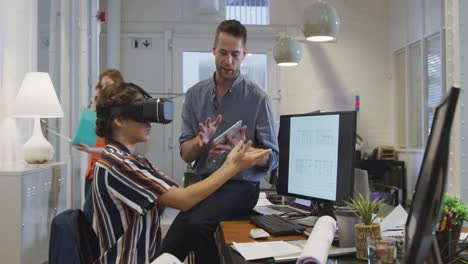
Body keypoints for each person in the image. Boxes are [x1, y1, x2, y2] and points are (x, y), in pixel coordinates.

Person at [92, 82, 271, 263]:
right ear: (119, 120)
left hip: (144, 257)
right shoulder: (119, 165)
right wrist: (233, 165)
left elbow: (177, 193)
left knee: (190, 222)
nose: (149, 122)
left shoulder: (134, 161)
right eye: (141, 113)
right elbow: (183, 200)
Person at [158, 19, 279, 263]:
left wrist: (245, 152)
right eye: (223, 52)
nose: (228, 61)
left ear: (244, 54)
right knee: (167, 250)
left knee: (198, 225)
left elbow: (273, 157)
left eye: (235, 54)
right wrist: (201, 142)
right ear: (213, 49)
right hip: (203, 184)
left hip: (240, 187)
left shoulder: (258, 99)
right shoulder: (194, 95)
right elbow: (186, 154)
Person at [73, 68, 124, 223]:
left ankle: (85, 245)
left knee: (89, 212)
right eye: (101, 86)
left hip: (107, 167)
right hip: (92, 169)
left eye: (107, 85)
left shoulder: (118, 113)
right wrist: (94, 105)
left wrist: (90, 150)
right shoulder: (97, 109)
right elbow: (85, 136)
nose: (103, 90)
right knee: (88, 212)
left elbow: (117, 148)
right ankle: (87, 244)